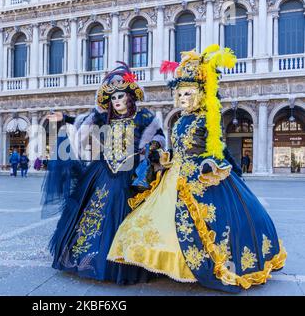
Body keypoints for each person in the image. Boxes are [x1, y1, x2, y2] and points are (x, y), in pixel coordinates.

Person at [107, 45, 286, 293]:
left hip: (199, 176)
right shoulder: (179, 120)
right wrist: (162, 156)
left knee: (204, 223)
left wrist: (209, 164)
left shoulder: (207, 118)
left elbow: (215, 148)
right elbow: (176, 149)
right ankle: (166, 261)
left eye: (188, 94)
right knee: (150, 219)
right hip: (173, 176)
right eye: (179, 95)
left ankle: (195, 265)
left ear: (200, 95)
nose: (182, 100)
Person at [41, 62, 166, 285]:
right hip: (104, 170)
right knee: (94, 212)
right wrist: (64, 118)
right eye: (113, 99)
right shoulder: (104, 118)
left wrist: (151, 148)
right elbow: (82, 120)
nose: (117, 102)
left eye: (121, 97)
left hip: (131, 173)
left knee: (124, 210)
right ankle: (91, 258)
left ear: (130, 97)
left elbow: (159, 137)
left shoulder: (145, 117)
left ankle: (126, 261)